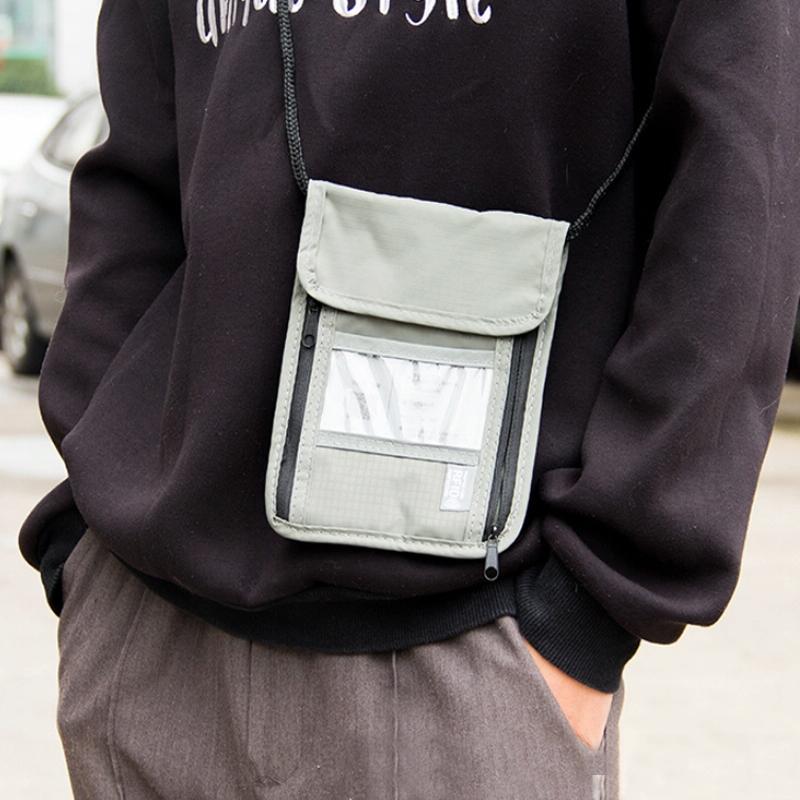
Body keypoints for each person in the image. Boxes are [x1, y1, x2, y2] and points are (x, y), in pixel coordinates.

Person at [18, 1, 800, 798]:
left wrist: (595, 607)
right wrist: (82, 528)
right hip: (149, 643)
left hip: (468, 657)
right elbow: (133, 175)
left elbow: (740, 187)